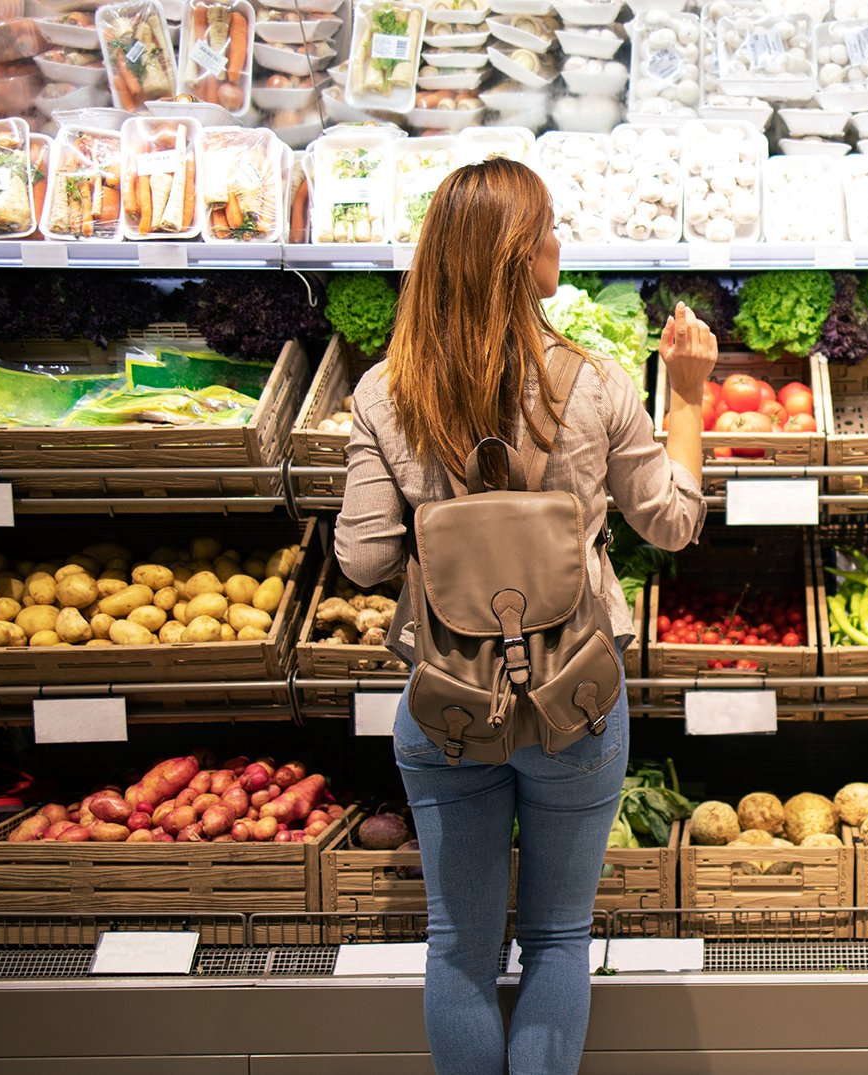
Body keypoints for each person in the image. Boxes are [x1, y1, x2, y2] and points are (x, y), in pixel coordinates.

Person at [334, 157, 716, 1075]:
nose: (558, 242)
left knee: (458, 946)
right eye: (545, 229)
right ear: (516, 259)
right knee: (554, 937)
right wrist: (691, 395)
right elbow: (669, 523)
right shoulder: (594, 382)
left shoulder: (387, 394)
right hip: (574, 699)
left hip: (447, 701)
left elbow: (363, 558)